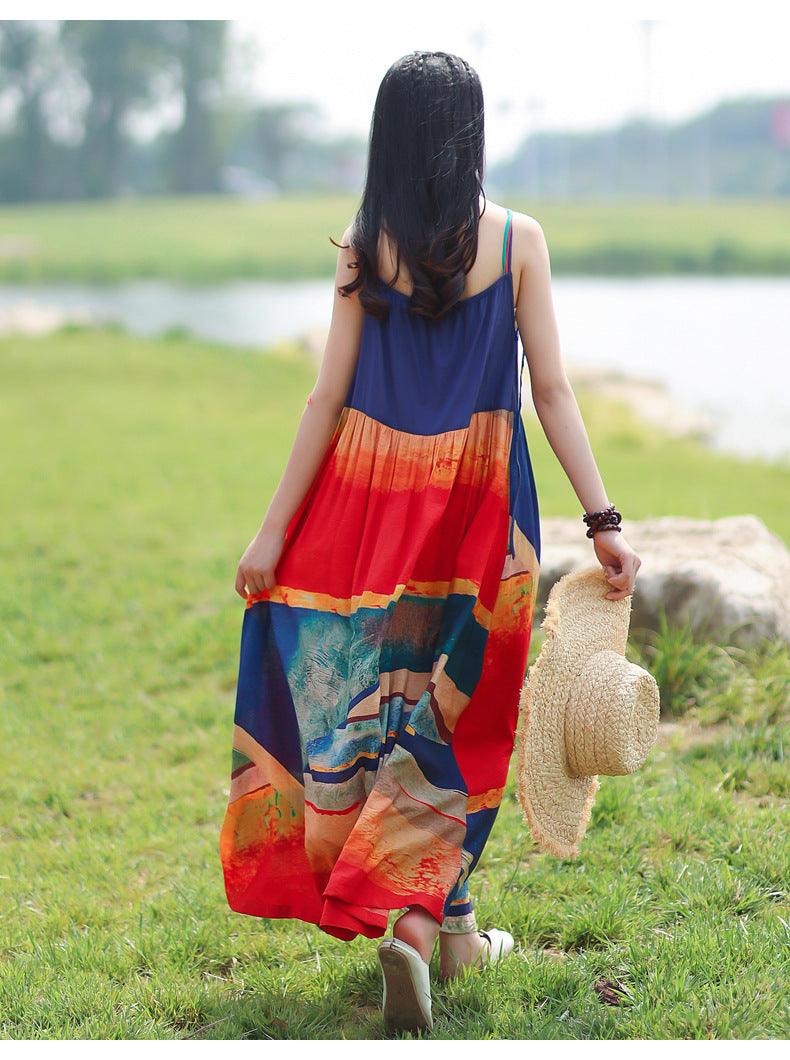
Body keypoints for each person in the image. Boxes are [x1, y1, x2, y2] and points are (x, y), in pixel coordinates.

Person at [219, 50, 641, 1033]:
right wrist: (603, 521)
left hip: (372, 513)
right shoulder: (519, 239)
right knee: (461, 715)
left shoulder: (365, 245)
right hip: (483, 515)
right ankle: (419, 927)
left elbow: (326, 397)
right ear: (470, 135)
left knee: (393, 706)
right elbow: (551, 391)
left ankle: (449, 932)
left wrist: (272, 534)